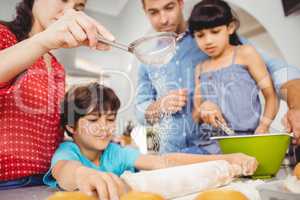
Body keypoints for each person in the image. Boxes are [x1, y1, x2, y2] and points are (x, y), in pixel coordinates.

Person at [135, 0, 300, 154]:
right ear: (144, 12)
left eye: (169, 7)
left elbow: (279, 70)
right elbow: (140, 110)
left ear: (180, 3)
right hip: (170, 152)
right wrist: (158, 106)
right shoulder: (147, 58)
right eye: (153, 12)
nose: (163, 19)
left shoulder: (222, 41)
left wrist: (296, 107)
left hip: (221, 150)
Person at [44, 82, 258, 199]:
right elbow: (65, 171)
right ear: (71, 127)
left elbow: (165, 161)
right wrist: (84, 174)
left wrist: (229, 158)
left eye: (110, 119)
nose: (104, 127)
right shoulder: (68, 151)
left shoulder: (114, 152)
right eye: (93, 120)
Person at [0, 0, 119, 190]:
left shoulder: (57, 68)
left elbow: (51, 132)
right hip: (7, 183)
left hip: (48, 181)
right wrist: (44, 40)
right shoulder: (4, 35)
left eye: (79, 6)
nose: (70, 11)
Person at [190, 0, 278, 139]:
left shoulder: (245, 53)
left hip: (246, 139)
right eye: (200, 35)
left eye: (215, 32)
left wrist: (264, 126)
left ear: (230, 28)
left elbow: (271, 95)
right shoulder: (200, 68)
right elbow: (195, 116)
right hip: (209, 143)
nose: (208, 41)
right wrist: (203, 108)